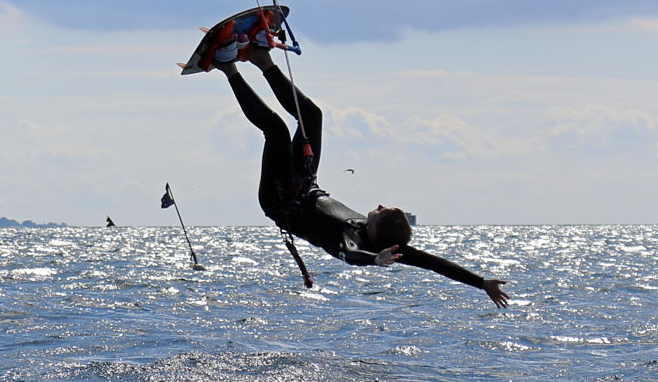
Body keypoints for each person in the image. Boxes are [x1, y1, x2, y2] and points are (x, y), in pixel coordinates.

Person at [211, 39, 509, 307]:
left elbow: (350, 254)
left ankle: (227, 67)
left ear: (377, 230)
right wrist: (480, 282)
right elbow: (434, 264)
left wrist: (373, 260)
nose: (377, 207)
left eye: (382, 211)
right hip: (305, 183)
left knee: (276, 130)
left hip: (281, 199)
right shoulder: (392, 246)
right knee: (312, 116)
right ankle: (261, 59)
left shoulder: (354, 240)